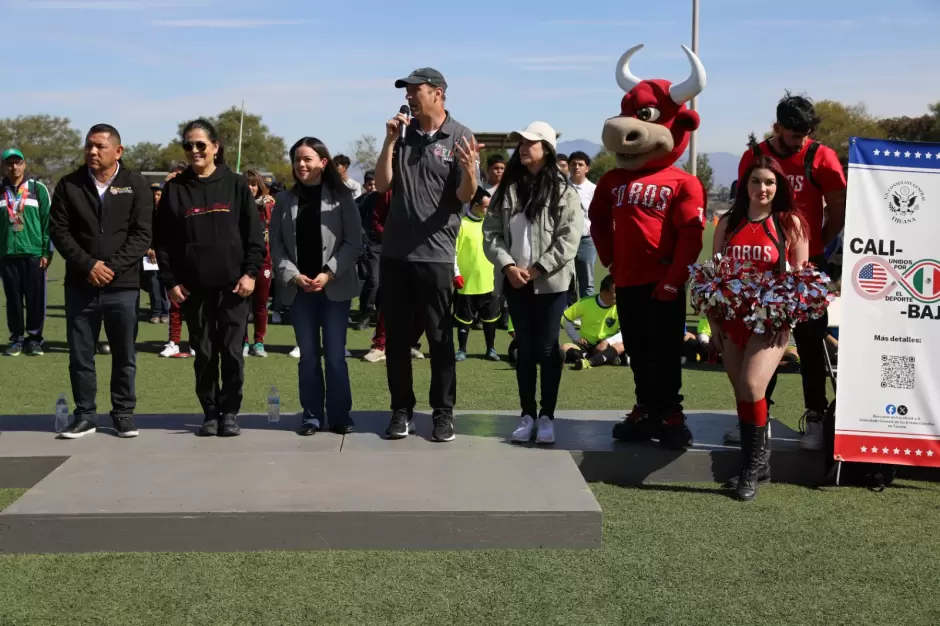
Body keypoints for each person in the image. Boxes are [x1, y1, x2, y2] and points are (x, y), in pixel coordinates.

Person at [374, 66, 479, 442]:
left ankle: (442, 413)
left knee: (439, 339)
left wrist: (469, 171)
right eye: (406, 90)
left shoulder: (462, 136)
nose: (409, 96)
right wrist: (389, 141)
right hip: (396, 255)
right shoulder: (401, 134)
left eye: (415, 90)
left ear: (437, 93)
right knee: (398, 341)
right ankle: (401, 410)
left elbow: (466, 196)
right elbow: (383, 184)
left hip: (435, 256)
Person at [737, 92, 846, 452]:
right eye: (793, 134)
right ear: (777, 126)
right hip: (764, 268)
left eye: (805, 134)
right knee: (760, 343)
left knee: (811, 345)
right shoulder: (754, 157)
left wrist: (816, 247)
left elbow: (839, 208)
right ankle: (758, 418)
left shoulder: (821, 157)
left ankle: (814, 417)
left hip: (806, 268)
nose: (800, 141)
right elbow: (743, 205)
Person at [155, 119, 264, 438]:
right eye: (188, 145)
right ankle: (210, 412)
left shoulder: (236, 184)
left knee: (231, 354)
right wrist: (170, 280)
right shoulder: (175, 188)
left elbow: (254, 236)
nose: (194, 151)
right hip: (193, 289)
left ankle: (230, 411)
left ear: (215, 147)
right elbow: (163, 242)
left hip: (234, 288)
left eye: (200, 144)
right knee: (203, 354)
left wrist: (250, 273)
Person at [709, 156, 808, 501]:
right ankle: (759, 463)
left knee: (753, 385)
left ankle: (750, 467)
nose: (762, 188)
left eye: (769, 182)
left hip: (770, 321)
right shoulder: (728, 222)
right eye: (755, 182)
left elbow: (800, 279)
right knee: (742, 392)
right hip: (731, 318)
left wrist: (787, 319)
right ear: (745, 186)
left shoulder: (789, 223)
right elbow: (714, 277)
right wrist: (714, 322)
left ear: (778, 187)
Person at [49, 124, 153, 439]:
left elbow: (142, 234)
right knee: (81, 354)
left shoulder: (136, 185)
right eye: (88, 146)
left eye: (99, 146)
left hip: (122, 287)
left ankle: (122, 414)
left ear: (118, 151)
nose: (92, 152)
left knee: (124, 355)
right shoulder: (69, 185)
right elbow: (59, 231)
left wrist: (111, 268)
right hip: (81, 285)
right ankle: (85, 416)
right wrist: (89, 265)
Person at [483, 121, 582, 445]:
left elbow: (570, 239)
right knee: (525, 350)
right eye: (522, 142)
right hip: (516, 282)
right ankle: (527, 415)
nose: (524, 147)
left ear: (547, 149)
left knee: (548, 348)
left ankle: (547, 416)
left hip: (551, 285)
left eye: (532, 142)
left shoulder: (563, 190)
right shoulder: (507, 189)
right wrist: (508, 266)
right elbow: (491, 233)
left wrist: (538, 268)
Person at [270, 137, 362, 436]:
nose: (302, 165)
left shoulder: (343, 196)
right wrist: (294, 275)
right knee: (308, 357)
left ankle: (339, 416)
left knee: (335, 356)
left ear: (323, 162)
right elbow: (277, 247)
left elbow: (354, 242)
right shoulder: (283, 200)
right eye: (297, 159)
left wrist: (329, 272)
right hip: (299, 291)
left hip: (333, 289)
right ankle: (311, 415)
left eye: (308, 159)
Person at [1, 148, 53, 357]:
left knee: (35, 299)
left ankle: (34, 339)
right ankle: (17, 339)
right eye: (9, 163)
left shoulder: (38, 189)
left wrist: (46, 252)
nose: (14, 167)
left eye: (18, 162)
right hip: (7, 255)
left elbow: (48, 222)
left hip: (33, 253)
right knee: (13, 300)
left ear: (24, 164)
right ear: (4, 166)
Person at [454, 187, 499, 362]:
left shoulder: (491, 225)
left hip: (489, 282)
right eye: (486, 207)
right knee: (465, 320)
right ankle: (462, 349)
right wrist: (456, 273)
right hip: (467, 283)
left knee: (490, 319)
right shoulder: (461, 224)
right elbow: (453, 252)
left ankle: (491, 349)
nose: (488, 210)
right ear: (474, 206)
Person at [241, 169, 276, 358]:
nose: (250, 188)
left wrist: (268, 205)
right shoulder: (237, 205)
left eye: (254, 184)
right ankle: (244, 341)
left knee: (261, 304)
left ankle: (259, 342)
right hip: (242, 262)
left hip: (265, 262)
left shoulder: (268, 205)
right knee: (242, 304)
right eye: (247, 184)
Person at [561, 274, 625, 371]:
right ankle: (602, 358)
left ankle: (589, 362)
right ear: (604, 292)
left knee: (621, 346)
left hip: (608, 346)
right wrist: (576, 338)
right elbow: (565, 319)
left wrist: (608, 341)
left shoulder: (622, 305)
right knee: (564, 347)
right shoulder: (586, 303)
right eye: (616, 292)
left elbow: (627, 330)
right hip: (586, 345)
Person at [567, 151, 597, 300]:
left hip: (586, 241)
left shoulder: (593, 190)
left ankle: (587, 318)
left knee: (587, 282)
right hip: (564, 240)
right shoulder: (561, 187)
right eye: (573, 164)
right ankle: (568, 318)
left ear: (587, 168)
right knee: (567, 282)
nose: (576, 167)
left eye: (580, 164)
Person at [144, 182, 169, 324]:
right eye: (153, 194)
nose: (156, 197)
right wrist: (148, 249)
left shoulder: (169, 212)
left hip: (165, 254)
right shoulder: (146, 213)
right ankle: (156, 311)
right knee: (153, 284)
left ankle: (166, 312)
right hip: (149, 255)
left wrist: (160, 251)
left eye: (159, 194)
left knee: (165, 284)